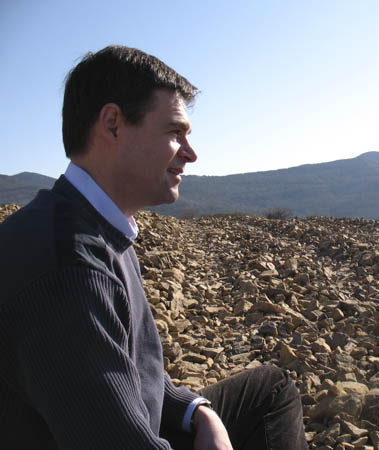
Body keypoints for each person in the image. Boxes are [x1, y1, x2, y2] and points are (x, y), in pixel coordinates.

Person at [0, 45, 308, 450]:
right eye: (174, 132)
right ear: (112, 124)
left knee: (271, 388)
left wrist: (198, 411)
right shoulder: (70, 269)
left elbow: (134, 370)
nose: (191, 153)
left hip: (138, 417)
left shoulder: (93, 225)